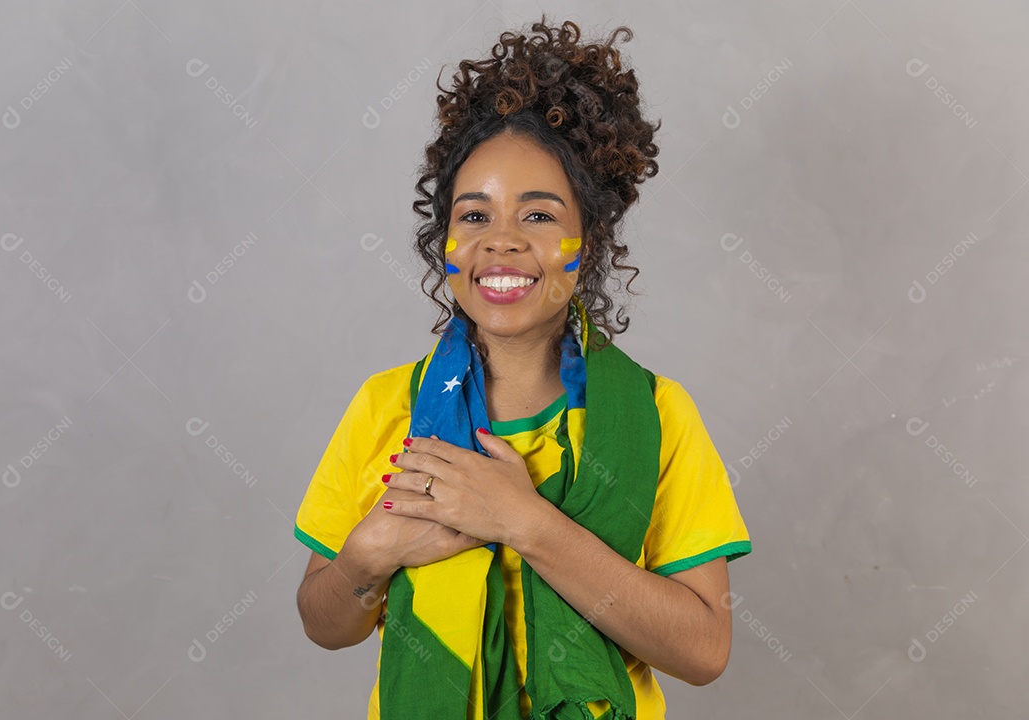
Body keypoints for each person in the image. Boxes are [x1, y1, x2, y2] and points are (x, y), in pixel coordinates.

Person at [294, 17, 751, 720]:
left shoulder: (657, 414)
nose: (500, 242)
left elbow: (703, 649)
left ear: (588, 238)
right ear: (443, 237)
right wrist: (366, 555)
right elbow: (326, 624)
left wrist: (523, 521)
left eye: (538, 216)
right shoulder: (388, 405)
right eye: (473, 217)